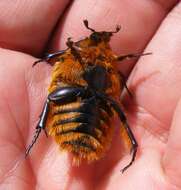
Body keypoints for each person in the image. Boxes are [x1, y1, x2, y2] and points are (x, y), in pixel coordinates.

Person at [0, 1, 180, 189]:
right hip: (82, 103)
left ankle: (133, 145)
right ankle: (39, 131)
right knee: (57, 96)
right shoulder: (76, 53)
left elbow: (117, 78)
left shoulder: (109, 63)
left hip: (94, 110)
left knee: (109, 106)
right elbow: (65, 54)